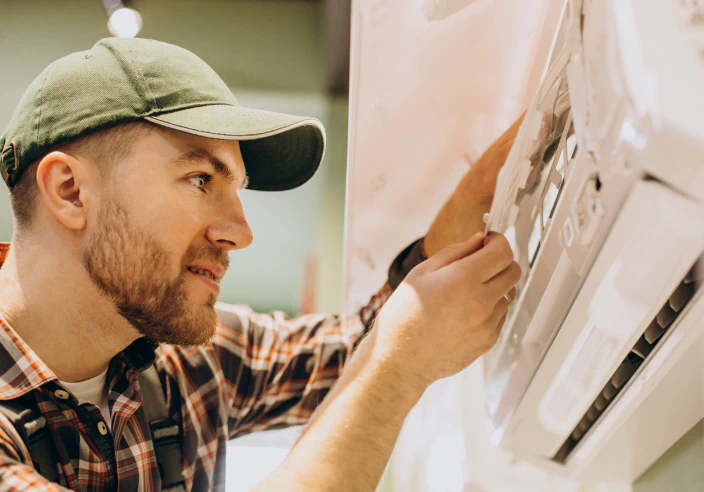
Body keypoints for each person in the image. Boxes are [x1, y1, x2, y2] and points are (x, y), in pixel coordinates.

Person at [0, 38, 521, 491]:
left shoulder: (187, 360)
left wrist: (472, 205)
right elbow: (383, 358)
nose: (242, 233)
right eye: (202, 178)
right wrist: (398, 371)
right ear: (70, 192)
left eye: (237, 189)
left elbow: (357, 347)